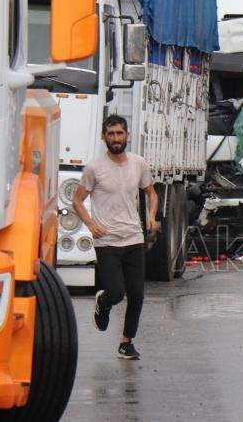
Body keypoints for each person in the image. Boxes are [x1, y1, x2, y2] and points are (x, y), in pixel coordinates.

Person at [73, 115, 158, 360]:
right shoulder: (94, 168)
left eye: (120, 133)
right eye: (111, 134)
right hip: (107, 240)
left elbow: (151, 193)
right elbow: (77, 200)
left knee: (137, 294)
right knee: (117, 292)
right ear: (103, 137)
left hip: (133, 237)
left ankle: (126, 342)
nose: (116, 138)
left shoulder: (139, 163)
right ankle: (105, 301)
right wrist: (91, 224)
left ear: (127, 136)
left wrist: (151, 216)